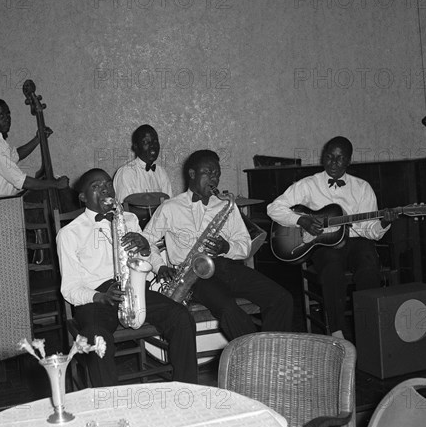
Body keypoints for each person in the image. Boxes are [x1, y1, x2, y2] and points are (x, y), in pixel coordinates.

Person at [56, 168, 198, 387]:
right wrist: (100, 297)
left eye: (107, 184)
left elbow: (148, 261)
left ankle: (187, 389)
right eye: (96, 186)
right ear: (82, 197)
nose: (105, 190)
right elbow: (70, 288)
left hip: (134, 288)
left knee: (181, 317)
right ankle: (110, 406)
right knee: (96, 339)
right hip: (97, 297)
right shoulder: (69, 233)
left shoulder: (129, 219)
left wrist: (144, 249)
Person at [143, 149, 294, 341]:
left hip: (225, 267)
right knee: (229, 310)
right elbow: (146, 239)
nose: (214, 178)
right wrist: (160, 265)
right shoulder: (170, 207)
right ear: (192, 174)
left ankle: (275, 353)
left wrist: (226, 248)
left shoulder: (225, 205)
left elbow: (245, 245)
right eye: (209, 172)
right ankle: (255, 356)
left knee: (282, 298)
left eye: (217, 173)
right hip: (193, 275)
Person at [267, 136, 398, 339]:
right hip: (324, 246)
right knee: (332, 268)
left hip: (357, 242)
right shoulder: (308, 185)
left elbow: (369, 231)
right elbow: (274, 208)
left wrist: (384, 222)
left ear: (349, 161)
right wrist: (301, 221)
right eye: (329, 157)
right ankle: (338, 332)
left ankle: (370, 330)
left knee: (368, 267)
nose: (333, 163)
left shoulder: (362, 188)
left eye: (340, 158)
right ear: (322, 157)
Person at [0, 98, 69, 196]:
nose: (7, 118)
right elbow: (20, 180)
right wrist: (56, 184)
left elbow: (14, 156)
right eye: (1, 115)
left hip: (2, 201)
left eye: (8, 114)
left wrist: (38, 139)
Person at [113, 124, 173, 204]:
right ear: (135, 147)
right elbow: (126, 211)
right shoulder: (127, 173)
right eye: (146, 142)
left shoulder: (161, 173)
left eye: (155, 142)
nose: (152, 146)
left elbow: (169, 206)